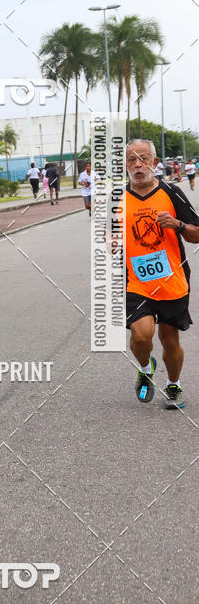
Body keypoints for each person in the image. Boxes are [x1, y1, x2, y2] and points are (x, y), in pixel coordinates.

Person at [125, 140, 199, 409]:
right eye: (131, 160)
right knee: (141, 334)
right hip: (136, 282)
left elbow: (196, 233)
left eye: (143, 159)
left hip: (172, 280)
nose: (137, 165)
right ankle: (145, 367)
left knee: (170, 339)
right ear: (126, 165)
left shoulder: (171, 193)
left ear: (155, 163)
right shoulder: (117, 199)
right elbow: (105, 236)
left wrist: (178, 225)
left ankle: (174, 385)